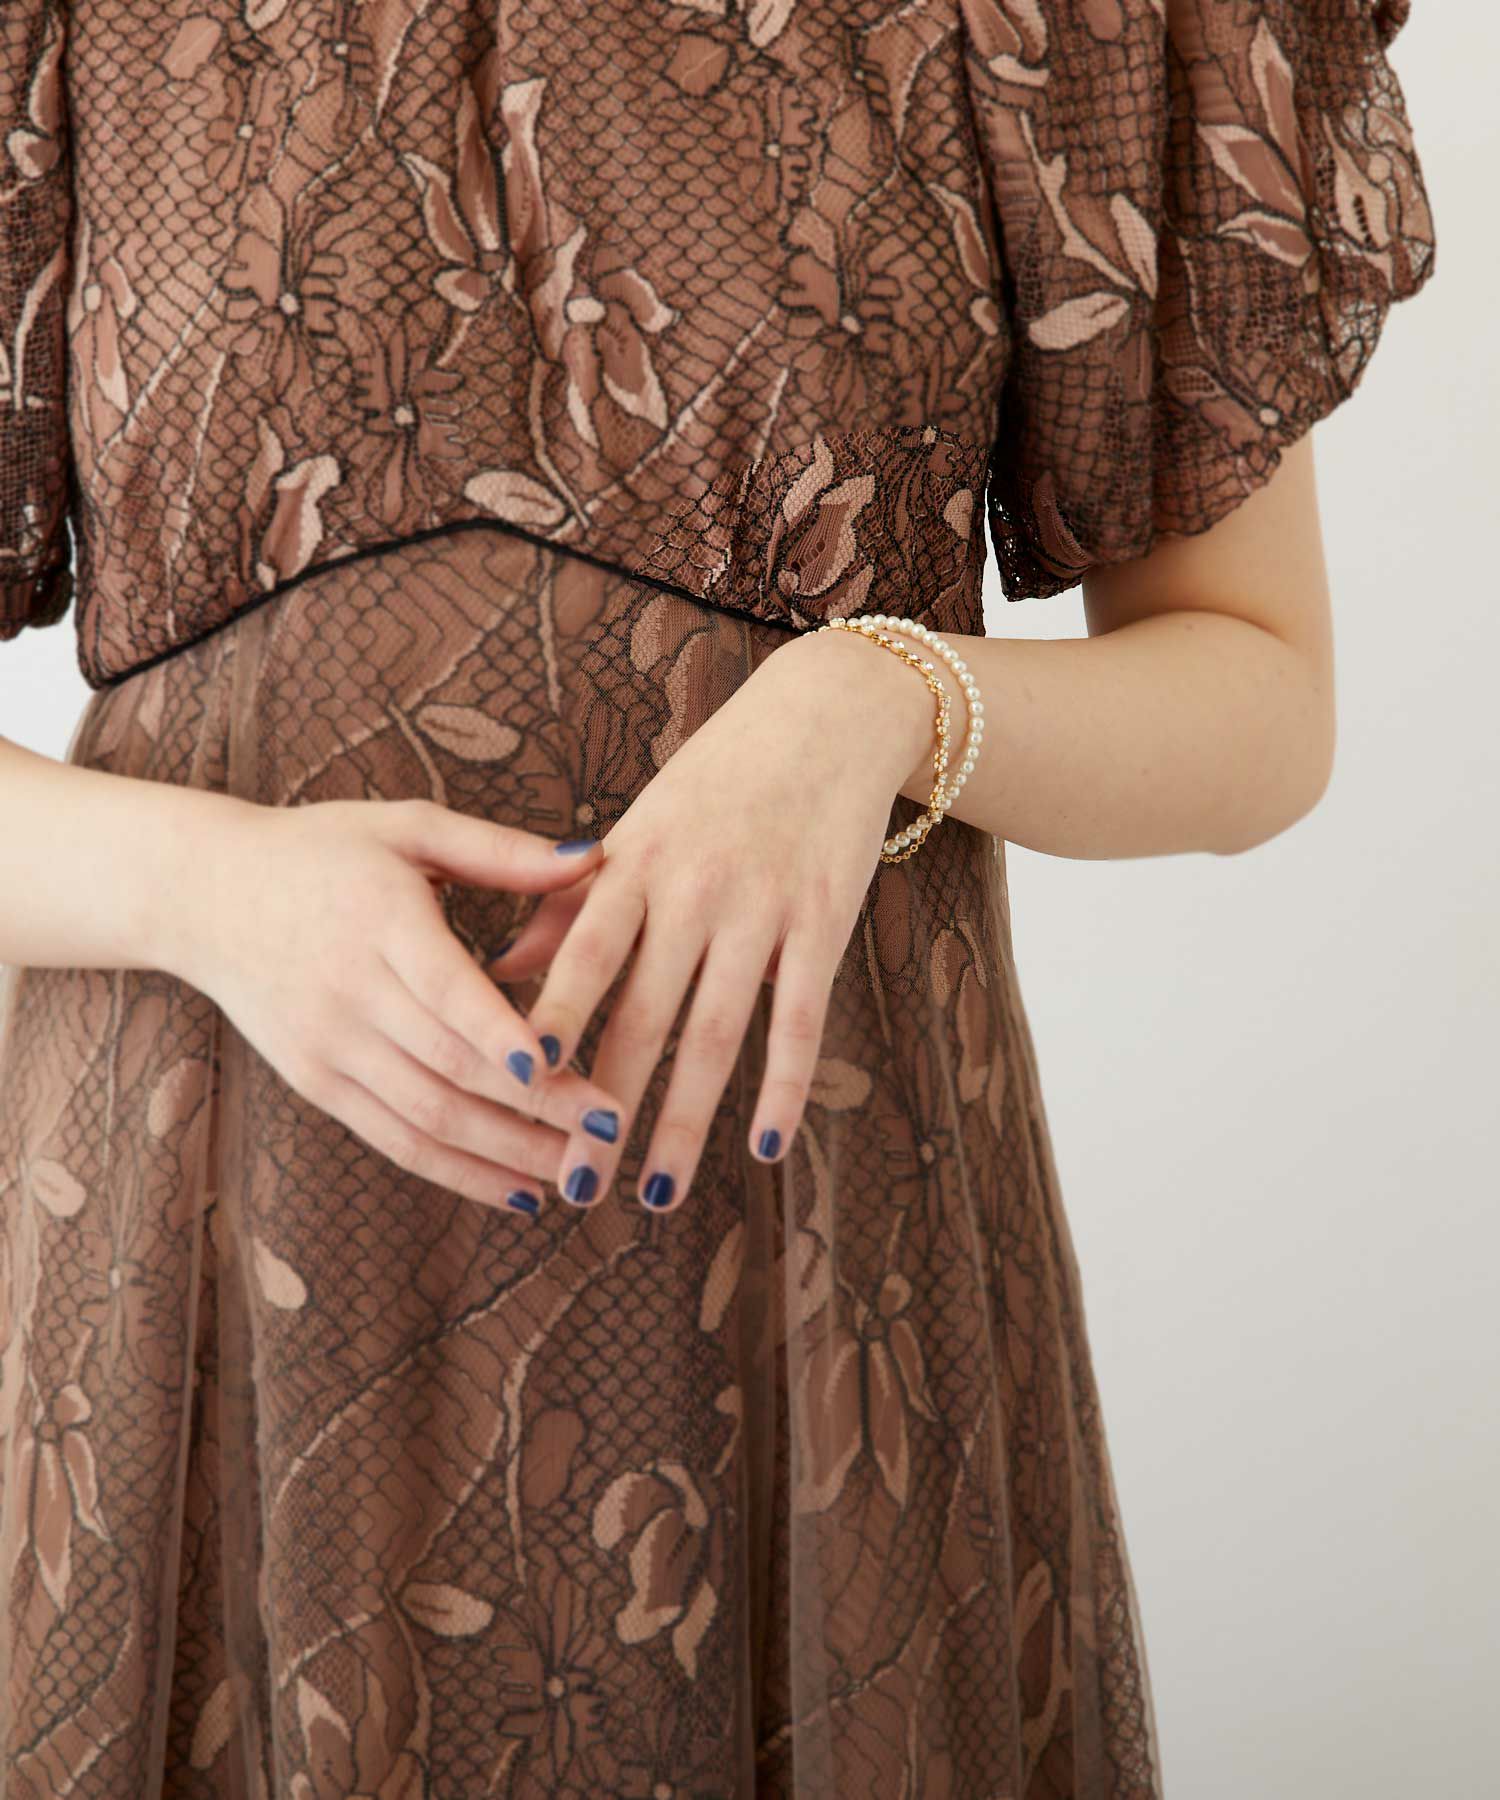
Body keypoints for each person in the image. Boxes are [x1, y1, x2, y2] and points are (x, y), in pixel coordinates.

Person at [0, 1, 1432, 1793]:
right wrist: (202, 889)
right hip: (208, 1216)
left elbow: (1260, 700)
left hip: (805, 1232)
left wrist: (885, 698)